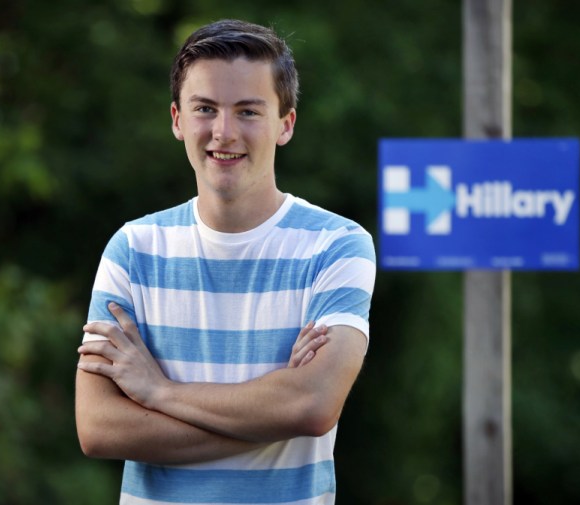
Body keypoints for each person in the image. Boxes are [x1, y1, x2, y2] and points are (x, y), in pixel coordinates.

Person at [75, 19, 376, 505]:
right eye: (205, 109)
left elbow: (314, 403)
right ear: (177, 119)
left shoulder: (336, 245)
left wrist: (159, 393)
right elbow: (98, 428)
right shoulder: (133, 249)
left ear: (286, 123)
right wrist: (273, 414)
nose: (223, 131)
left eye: (248, 111)